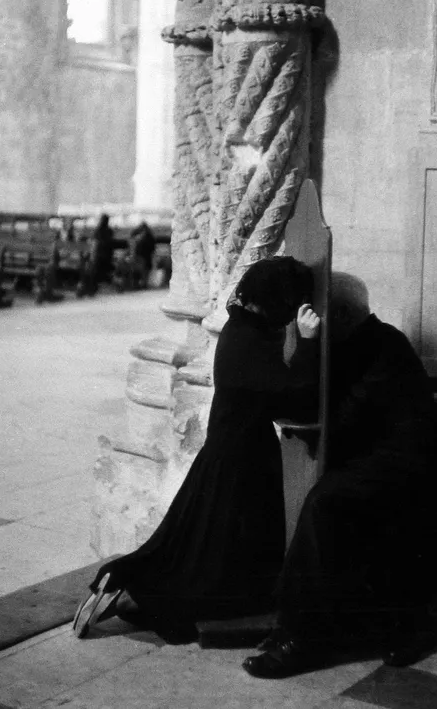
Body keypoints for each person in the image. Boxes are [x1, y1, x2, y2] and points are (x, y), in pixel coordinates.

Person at [73, 256, 321, 642]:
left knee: (192, 547)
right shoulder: (251, 340)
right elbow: (297, 400)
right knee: (211, 564)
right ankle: (129, 590)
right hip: (243, 461)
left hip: (228, 451)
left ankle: (121, 583)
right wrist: (307, 344)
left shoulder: (241, 327)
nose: (289, 316)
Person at [243, 273, 437, 678]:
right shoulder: (352, 341)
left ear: (339, 313)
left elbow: (344, 422)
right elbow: (312, 400)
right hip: (376, 460)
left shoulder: (384, 344)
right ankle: (295, 624)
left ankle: (301, 638)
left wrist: (306, 424)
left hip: (411, 470)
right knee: (311, 499)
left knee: (324, 505)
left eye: (317, 310)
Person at [91, 213, 114, 282]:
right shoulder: (109, 231)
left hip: (98, 256)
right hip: (106, 255)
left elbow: (94, 243)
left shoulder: (97, 230)